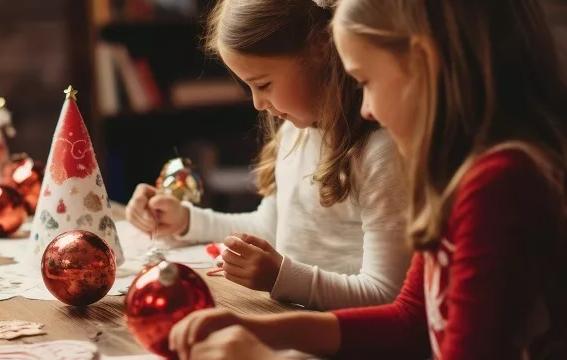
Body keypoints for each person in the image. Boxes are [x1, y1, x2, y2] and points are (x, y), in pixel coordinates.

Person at [168, 0, 567, 358]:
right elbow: (411, 320)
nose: (368, 110)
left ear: (421, 62)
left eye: (365, 83)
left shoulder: (499, 184)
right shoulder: (455, 176)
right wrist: (257, 329)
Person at [126, 0, 411, 311]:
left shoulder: (381, 153)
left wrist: (280, 277)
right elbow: (272, 227)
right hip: (294, 320)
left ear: (321, 48)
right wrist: (184, 220)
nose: (258, 103)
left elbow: (388, 294)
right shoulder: (295, 133)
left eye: (263, 84)